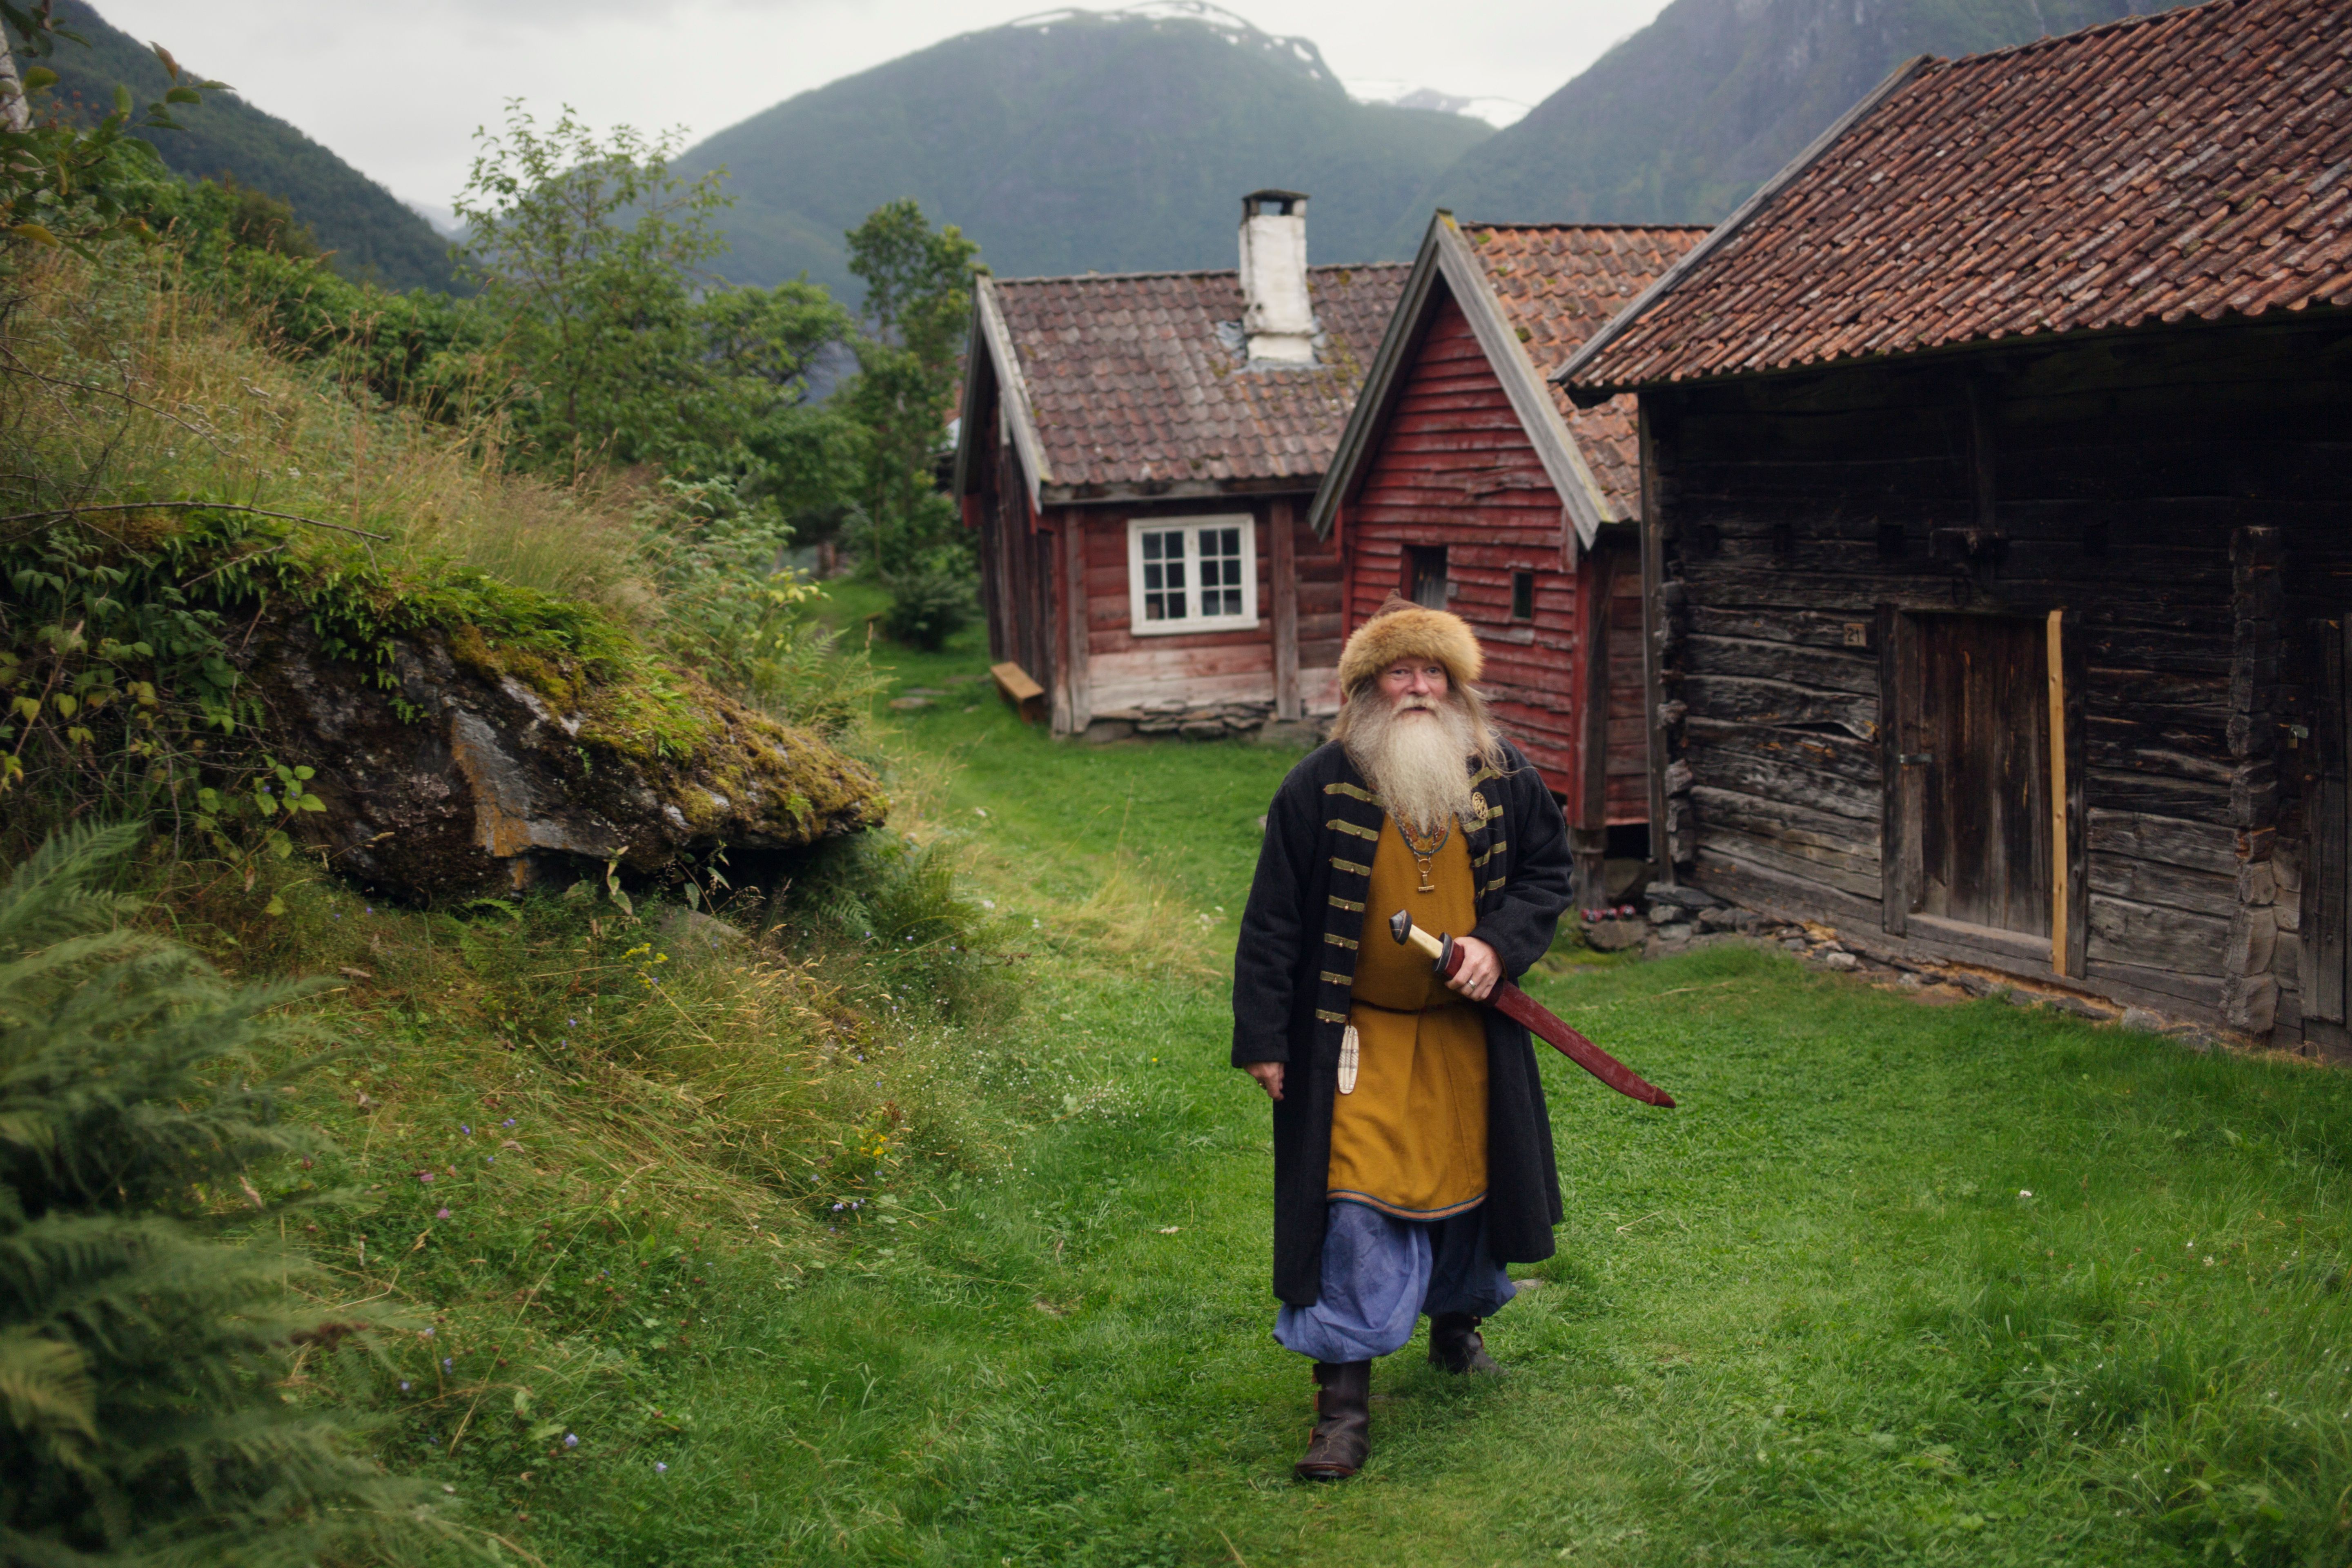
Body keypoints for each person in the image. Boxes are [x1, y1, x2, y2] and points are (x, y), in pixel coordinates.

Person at [1231, 595, 1575, 1480]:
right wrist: (1267, 1039)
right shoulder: (1320, 785)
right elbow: (1272, 922)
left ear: (1456, 685)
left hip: (1468, 1034)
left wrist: (1498, 947)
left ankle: (1457, 1331)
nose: (1419, 687)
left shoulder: (1500, 775)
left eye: (1434, 672)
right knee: (1352, 1204)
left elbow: (1548, 871)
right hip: (1358, 1041)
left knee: (1472, 1184)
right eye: (1400, 671)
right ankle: (1342, 1409)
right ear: (1367, 689)